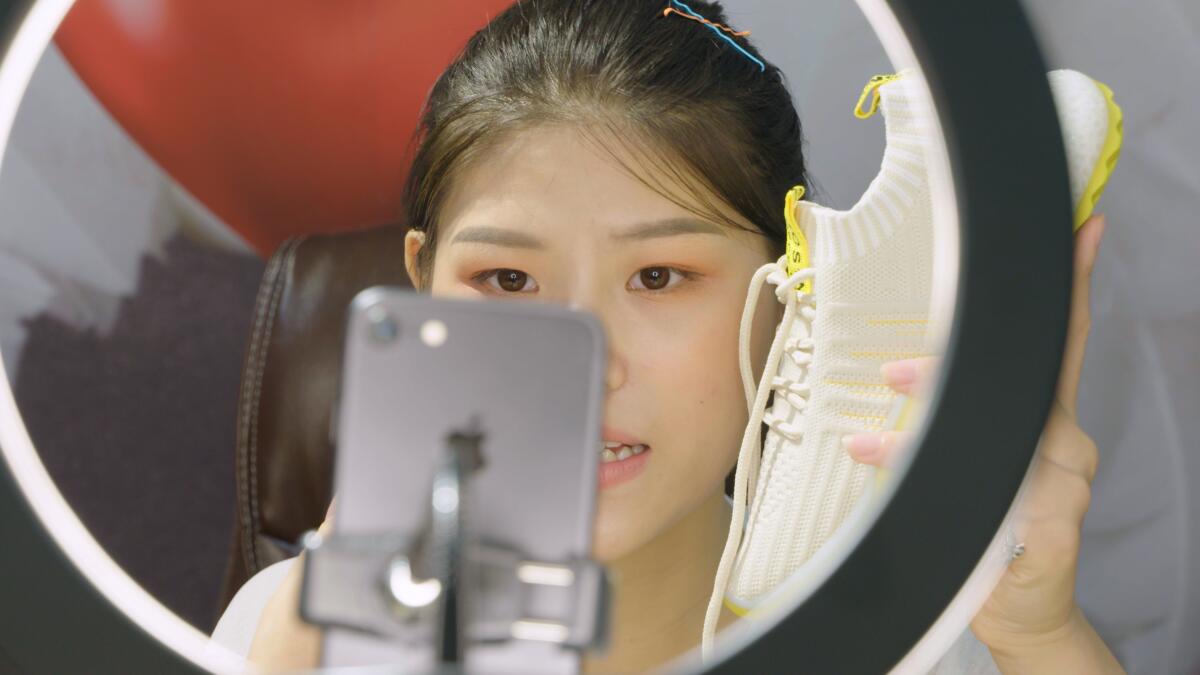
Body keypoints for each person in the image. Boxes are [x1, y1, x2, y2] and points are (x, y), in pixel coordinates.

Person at [211, 1, 1125, 672]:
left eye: (658, 278)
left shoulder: (905, 639)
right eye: (508, 280)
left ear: (786, 300)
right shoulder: (286, 629)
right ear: (423, 290)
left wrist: (1036, 634)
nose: (587, 364)